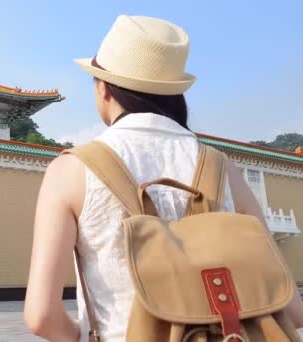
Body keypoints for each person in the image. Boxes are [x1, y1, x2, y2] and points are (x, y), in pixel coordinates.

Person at [24, 15, 303, 342]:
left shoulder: (71, 169)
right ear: (174, 94)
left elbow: (41, 315)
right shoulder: (222, 168)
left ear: (104, 89)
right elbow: (293, 311)